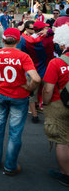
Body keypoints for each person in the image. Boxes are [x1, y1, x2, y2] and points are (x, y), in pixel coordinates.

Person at [0, 28, 41, 176]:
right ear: (18, 40)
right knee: (15, 132)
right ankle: (10, 166)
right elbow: (36, 78)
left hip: (0, 96)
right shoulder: (23, 56)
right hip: (19, 98)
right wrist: (29, 88)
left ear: (2, 40)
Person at [42, 24, 69, 187]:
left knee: (62, 140)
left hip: (59, 105)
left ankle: (66, 174)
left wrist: (45, 103)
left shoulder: (56, 62)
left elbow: (48, 89)